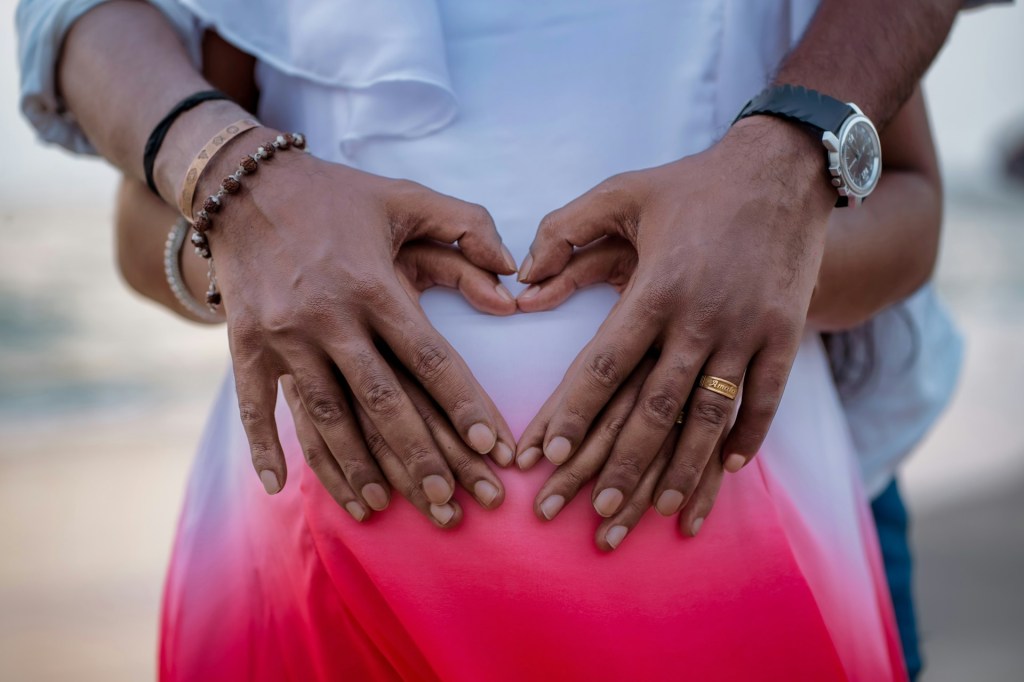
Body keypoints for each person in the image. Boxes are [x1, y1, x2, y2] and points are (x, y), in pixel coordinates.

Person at [16, 0, 970, 679]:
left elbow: (912, 208)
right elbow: (143, 237)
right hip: (325, 588)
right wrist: (254, 255)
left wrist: (775, 255)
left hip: (743, 577)